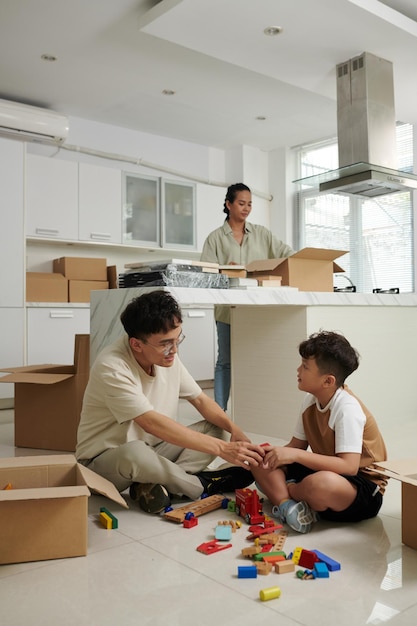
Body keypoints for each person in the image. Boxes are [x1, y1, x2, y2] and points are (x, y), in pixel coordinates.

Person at [76, 290, 266, 514]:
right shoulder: (112, 366)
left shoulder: (166, 356)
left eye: (178, 339)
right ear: (137, 345)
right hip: (105, 463)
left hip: (155, 450)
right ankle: (202, 484)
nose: (174, 350)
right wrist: (223, 449)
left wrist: (235, 431)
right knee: (135, 453)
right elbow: (151, 423)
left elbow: (200, 400)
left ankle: (160, 484)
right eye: (166, 344)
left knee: (215, 427)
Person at [252, 330, 388, 534]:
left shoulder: (347, 408)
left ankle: (284, 491)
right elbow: (295, 447)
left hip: (362, 488)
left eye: (305, 366)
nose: (298, 370)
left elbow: (349, 467)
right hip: (326, 468)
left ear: (328, 381)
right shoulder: (310, 401)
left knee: (322, 484)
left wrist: (294, 457)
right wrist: (270, 454)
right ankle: (288, 506)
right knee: (260, 457)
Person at [200, 182, 293, 411]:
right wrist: (224, 269)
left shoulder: (262, 234)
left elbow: (287, 255)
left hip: (257, 309)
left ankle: (254, 408)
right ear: (228, 204)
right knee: (226, 361)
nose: (246, 208)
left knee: (256, 357)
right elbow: (205, 273)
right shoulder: (215, 238)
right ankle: (219, 411)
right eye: (241, 203)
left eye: (250, 204)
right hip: (227, 310)